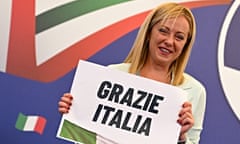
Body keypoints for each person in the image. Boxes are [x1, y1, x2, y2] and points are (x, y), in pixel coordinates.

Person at [58, 2, 206, 144]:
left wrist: (181, 137)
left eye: (179, 37)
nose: (169, 41)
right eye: (163, 31)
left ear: (185, 44)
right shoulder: (112, 75)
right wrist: (75, 113)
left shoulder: (194, 90)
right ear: (148, 33)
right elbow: (87, 139)